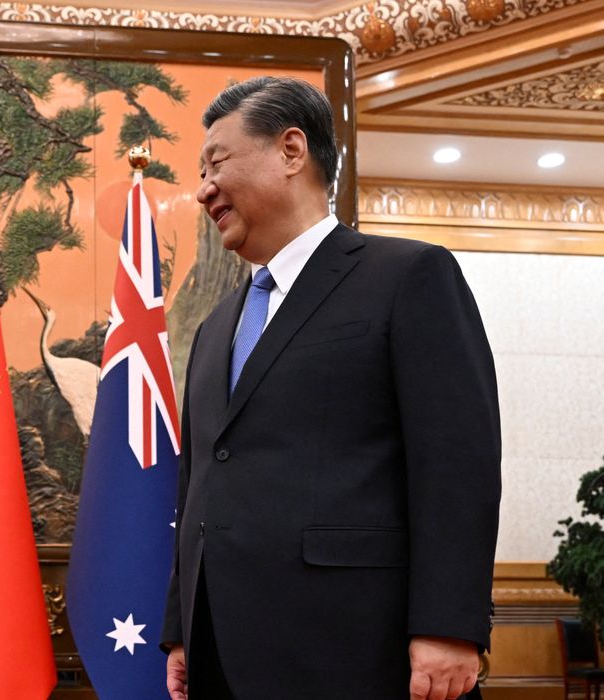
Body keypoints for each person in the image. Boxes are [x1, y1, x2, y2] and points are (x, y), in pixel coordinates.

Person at [161, 77, 501, 700]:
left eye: (217, 162)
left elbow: (458, 464)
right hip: (221, 653)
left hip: (358, 651)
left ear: (291, 151)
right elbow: (200, 481)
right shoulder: (214, 328)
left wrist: (450, 626)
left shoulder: (409, 276)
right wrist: (180, 630)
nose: (203, 188)